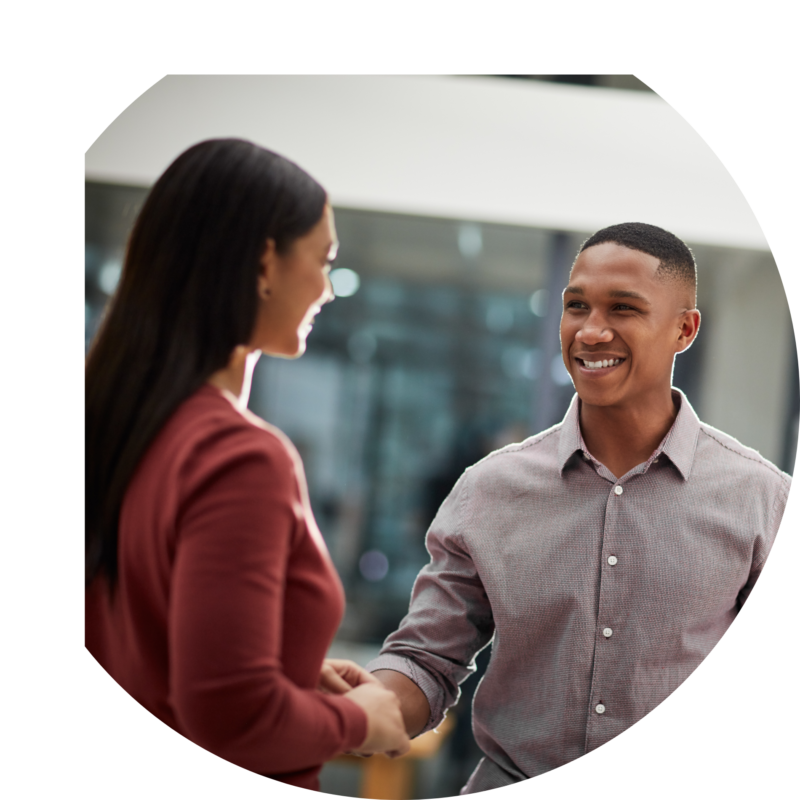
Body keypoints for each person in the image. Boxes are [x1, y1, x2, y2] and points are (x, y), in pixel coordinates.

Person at [365, 222, 791, 792]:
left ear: (684, 329)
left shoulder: (762, 500)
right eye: (576, 306)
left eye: (622, 308)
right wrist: (361, 707)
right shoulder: (491, 489)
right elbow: (425, 658)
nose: (591, 332)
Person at [84, 138, 410, 791]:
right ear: (265, 260)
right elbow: (230, 714)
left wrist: (285, 664)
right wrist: (357, 720)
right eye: (323, 260)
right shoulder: (241, 458)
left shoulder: (116, 429)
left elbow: (154, 641)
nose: (326, 289)